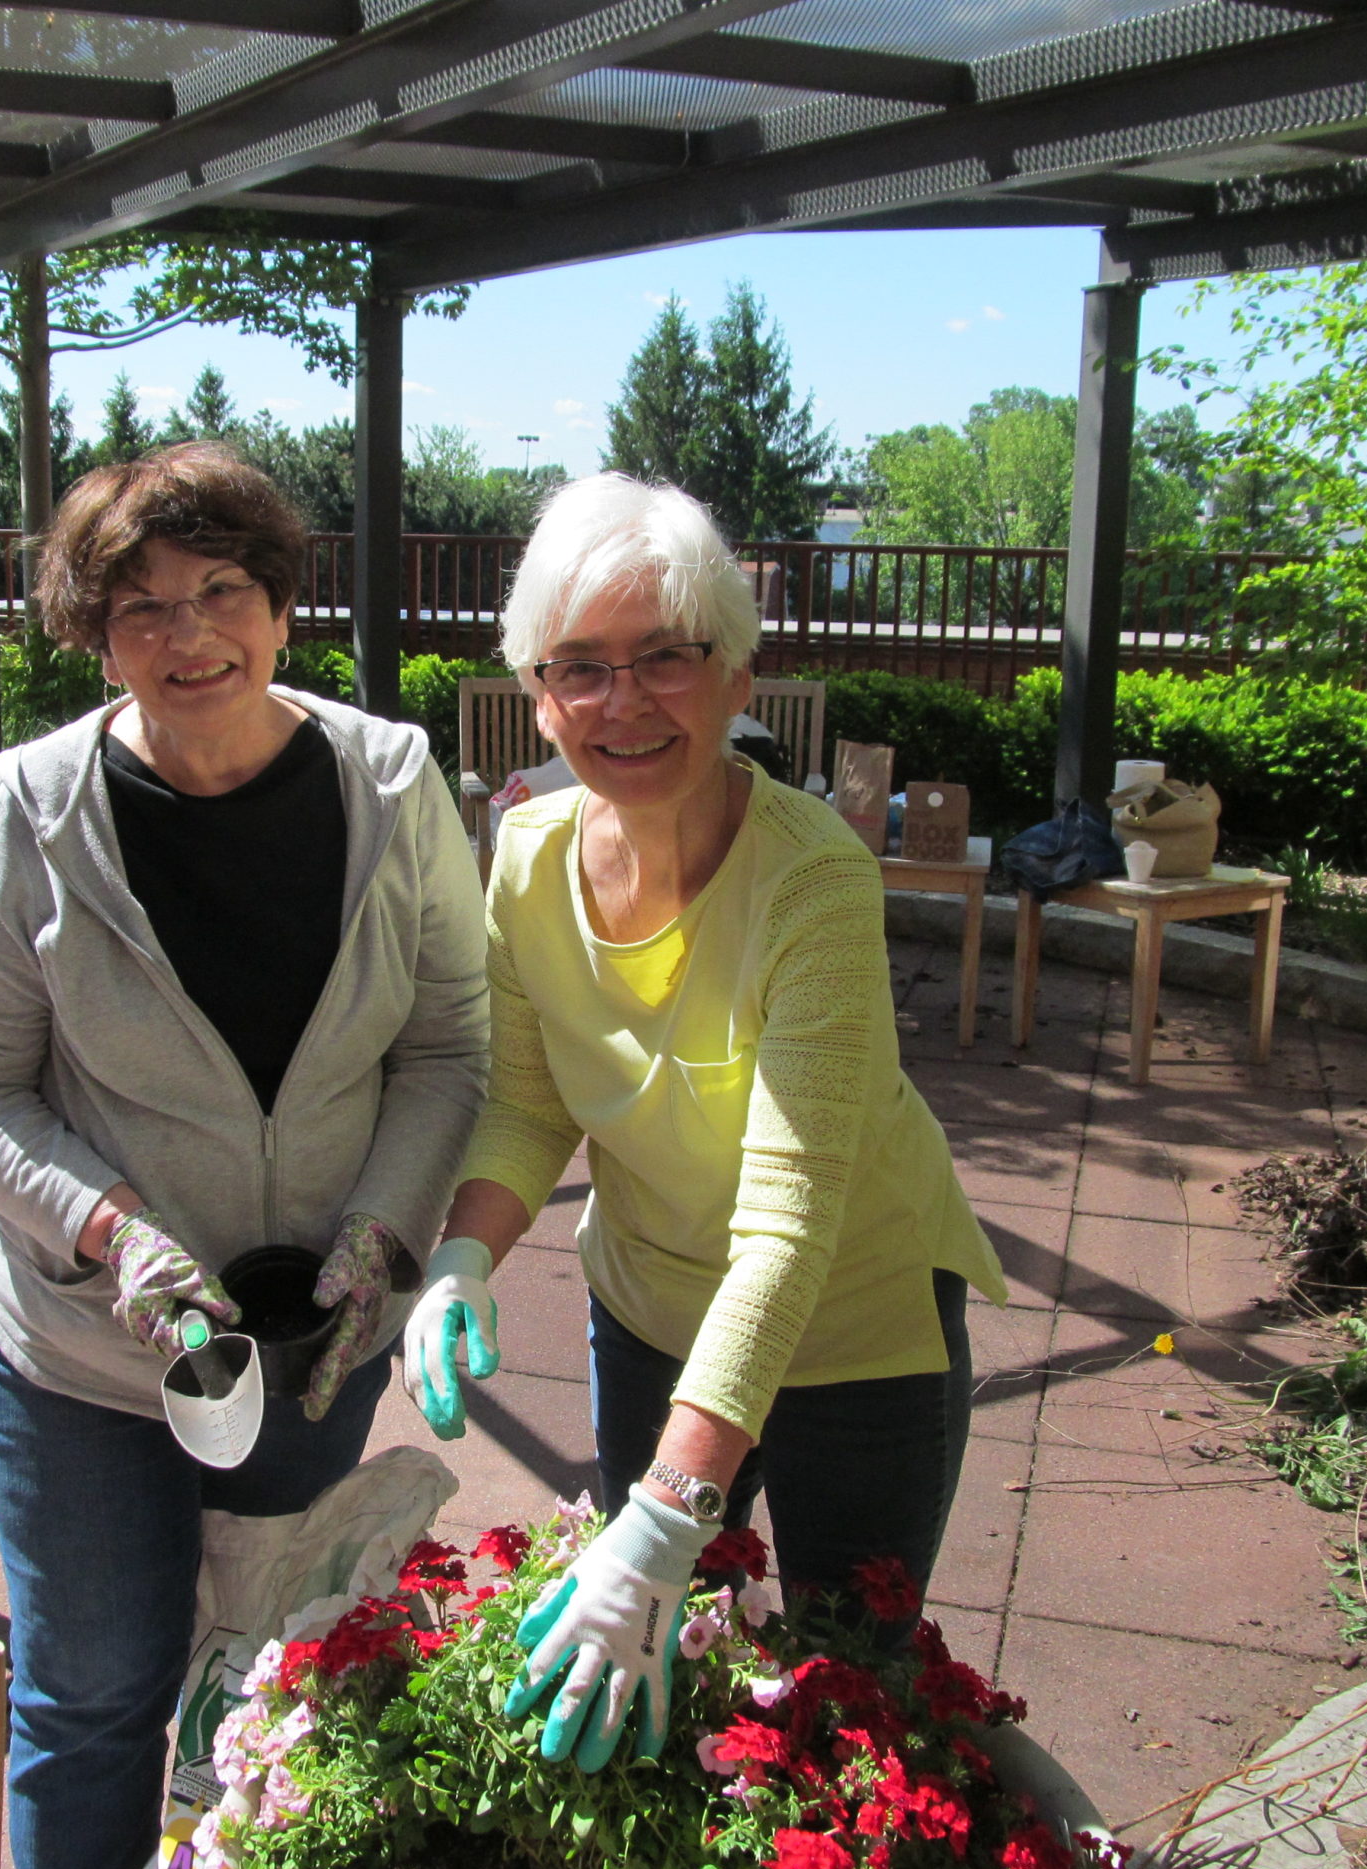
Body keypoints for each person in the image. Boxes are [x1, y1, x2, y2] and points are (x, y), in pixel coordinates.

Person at [0, 442, 488, 1869]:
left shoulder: (393, 782)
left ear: (283, 607)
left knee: (266, 1676)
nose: (188, 632)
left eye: (221, 588)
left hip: (312, 1341)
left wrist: (382, 1237)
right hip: (83, 1347)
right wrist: (113, 1235)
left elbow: (449, 1047)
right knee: (95, 1691)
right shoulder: (25, 812)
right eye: (140, 606)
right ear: (96, 638)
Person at [399, 472, 1005, 1774]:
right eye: (580, 669)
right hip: (652, 1315)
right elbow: (526, 1100)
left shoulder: (814, 881)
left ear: (737, 677)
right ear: (538, 693)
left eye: (664, 658)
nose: (623, 704)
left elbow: (788, 1227)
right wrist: (461, 1259)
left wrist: (673, 1507)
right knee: (656, 1670)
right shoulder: (525, 856)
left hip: (855, 1327)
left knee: (856, 1690)